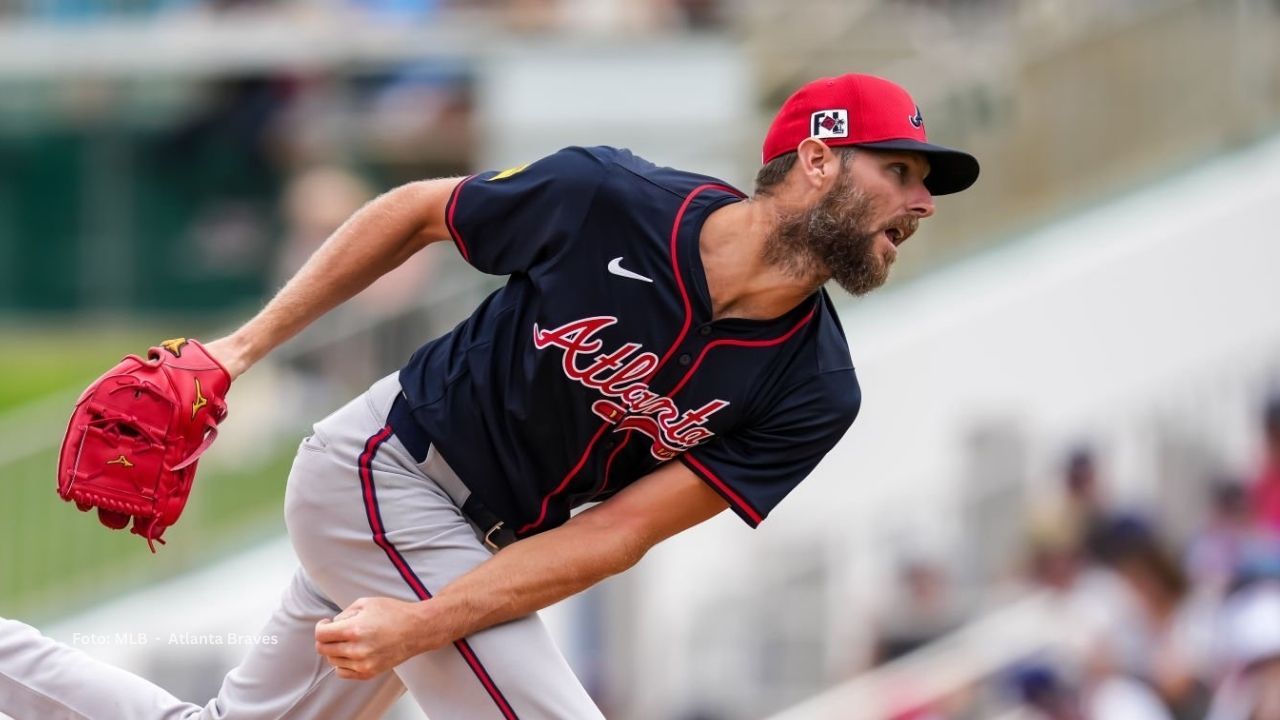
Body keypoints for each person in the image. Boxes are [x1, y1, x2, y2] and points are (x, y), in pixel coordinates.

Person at [0, 73, 979, 719]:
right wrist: (240, 349)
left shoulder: (813, 385)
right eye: (896, 172)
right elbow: (416, 211)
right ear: (814, 160)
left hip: (472, 552)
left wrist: (427, 620)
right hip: (384, 470)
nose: (921, 202)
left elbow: (617, 534)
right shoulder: (612, 199)